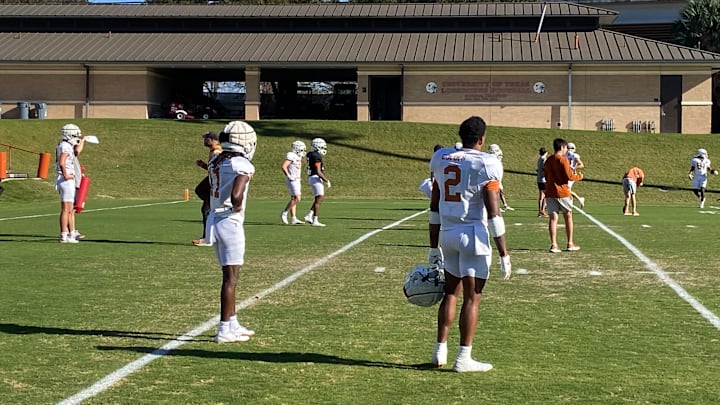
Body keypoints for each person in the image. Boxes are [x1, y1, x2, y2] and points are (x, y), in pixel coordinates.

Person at [427, 116, 511, 373]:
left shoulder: (441, 157)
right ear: (482, 139)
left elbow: (434, 207)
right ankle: (464, 358)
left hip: (448, 234)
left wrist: (433, 247)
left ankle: (439, 349)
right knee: (473, 298)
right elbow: (494, 213)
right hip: (473, 233)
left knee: (451, 292)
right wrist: (504, 253)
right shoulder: (487, 163)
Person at [208, 121, 258, 343]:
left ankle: (233, 322)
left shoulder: (217, 161)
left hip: (215, 220)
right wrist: (235, 205)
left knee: (230, 276)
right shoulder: (242, 165)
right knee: (231, 279)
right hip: (230, 222)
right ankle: (224, 329)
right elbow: (237, 194)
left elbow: (202, 190)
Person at [544, 138, 583, 253]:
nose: (566, 150)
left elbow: (545, 175)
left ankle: (554, 245)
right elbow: (569, 176)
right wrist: (579, 177)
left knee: (553, 218)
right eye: (566, 147)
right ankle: (570, 243)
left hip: (550, 192)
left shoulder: (548, 160)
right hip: (562, 192)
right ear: (562, 147)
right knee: (568, 216)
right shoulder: (563, 160)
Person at [55, 123, 85, 243]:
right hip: (66, 180)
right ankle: (64, 235)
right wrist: (66, 174)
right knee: (66, 209)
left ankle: (68, 234)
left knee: (67, 209)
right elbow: (62, 162)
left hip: (63, 179)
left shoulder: (62, 145)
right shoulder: (65, 146)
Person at [192, 131, 223, 246]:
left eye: (206, 139)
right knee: (199, 192)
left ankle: (207, 238)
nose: (204, 141)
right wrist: (204, 165)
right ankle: (209, 236)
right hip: (212, 183)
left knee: (206, 210)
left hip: (215, 185)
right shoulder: (213, 152)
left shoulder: (217, 152)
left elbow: (221, 169)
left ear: (213, 140)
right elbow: (213, 169)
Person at [303, 137, 331, 227]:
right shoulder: (316, 156)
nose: (324, 149)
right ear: (317, 147)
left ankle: (309, 215)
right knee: (319, 199)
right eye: (322, 147)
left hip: (312, 177)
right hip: (315, 178)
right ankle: (315, 220)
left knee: (318, 199)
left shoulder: (311, 154)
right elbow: (318, 171)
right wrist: (326, 180)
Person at [280, 140, 306, 225]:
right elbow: (284, 166)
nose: (303, 151)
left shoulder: (297, 156)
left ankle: (294, 218)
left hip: (297, 179)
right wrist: (288, 175)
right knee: (298, 198)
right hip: (292, 179)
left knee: (293, 198)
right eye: (302, 149)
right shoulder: (291, 155)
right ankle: (284, 212)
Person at [487, 144, 513, 212]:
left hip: (496, 174)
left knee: (500, 191)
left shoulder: (492, 156)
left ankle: (504, 205)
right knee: (497, 191)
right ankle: (497, 206)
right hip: (495, 175)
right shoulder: (492, 158)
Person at [565, 142, 585, 208]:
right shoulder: (565, 155)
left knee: (567, 189)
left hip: (572, 175)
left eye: (570, 148)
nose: (569, 149)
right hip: (566, 175)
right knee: (566, 189)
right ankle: (570, 202)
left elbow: (581, 164)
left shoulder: (574, 155)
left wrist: (574, 168)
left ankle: (579, 199)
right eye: (568, 148)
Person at [536, 147, 548, 217]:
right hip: (544, 179)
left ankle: (540, 211)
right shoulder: (544, 159)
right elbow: (544, 169)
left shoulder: (539, 159)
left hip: (539, 179)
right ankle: (542, 211)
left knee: (541, 196)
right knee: (545, 196)